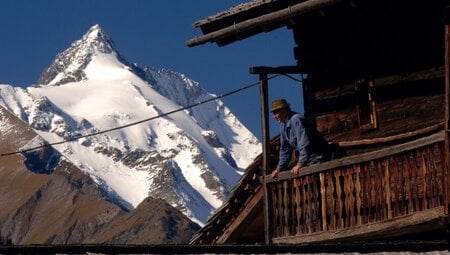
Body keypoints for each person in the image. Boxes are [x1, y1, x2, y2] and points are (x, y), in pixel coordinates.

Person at [270, 99, 324, 179]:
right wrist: (279, 168)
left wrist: (300, 164)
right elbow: (285, 149)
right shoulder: (283, 125)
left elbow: (304, 143)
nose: (274, 117)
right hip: (306, 161)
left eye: (275, 113)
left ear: (284, 110)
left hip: (315, 158)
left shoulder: (296, 119)